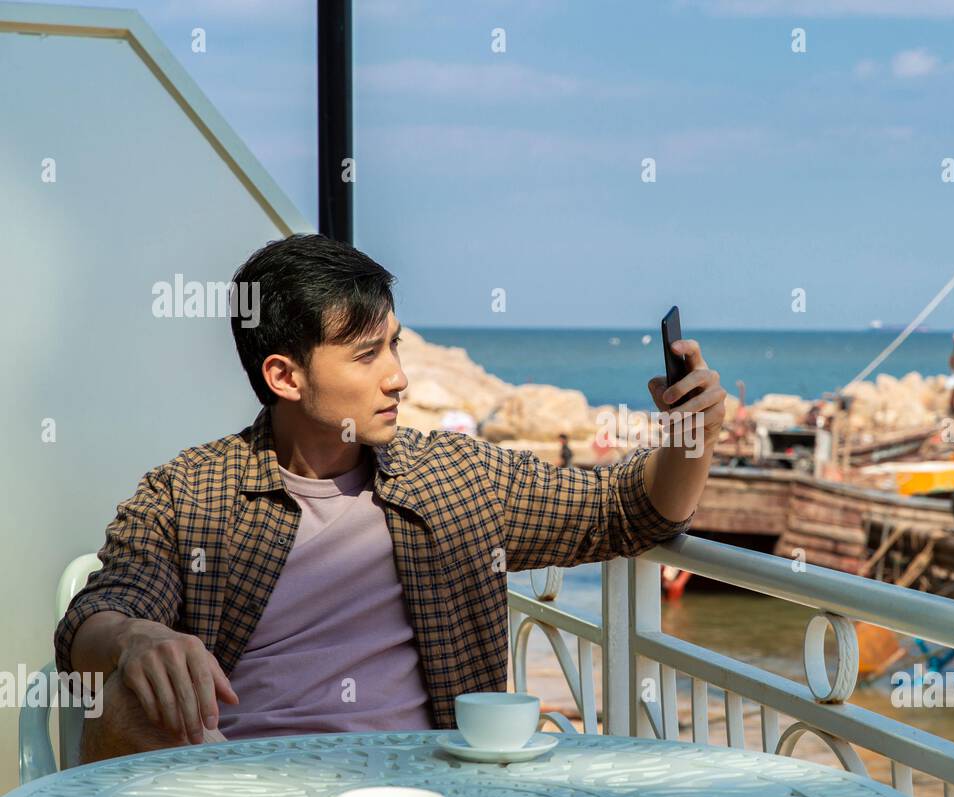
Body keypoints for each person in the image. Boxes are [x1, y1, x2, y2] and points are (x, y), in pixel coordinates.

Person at [57, 233, 728, 764]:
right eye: (367, 355)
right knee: (125, 701)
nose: (399, 378)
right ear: (284, 375)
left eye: (396, 348)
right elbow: (98, 612)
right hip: (237, 790)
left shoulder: (455, 479)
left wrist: (692, 433)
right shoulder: (191, 492)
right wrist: (138, 639)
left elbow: (628, 511)